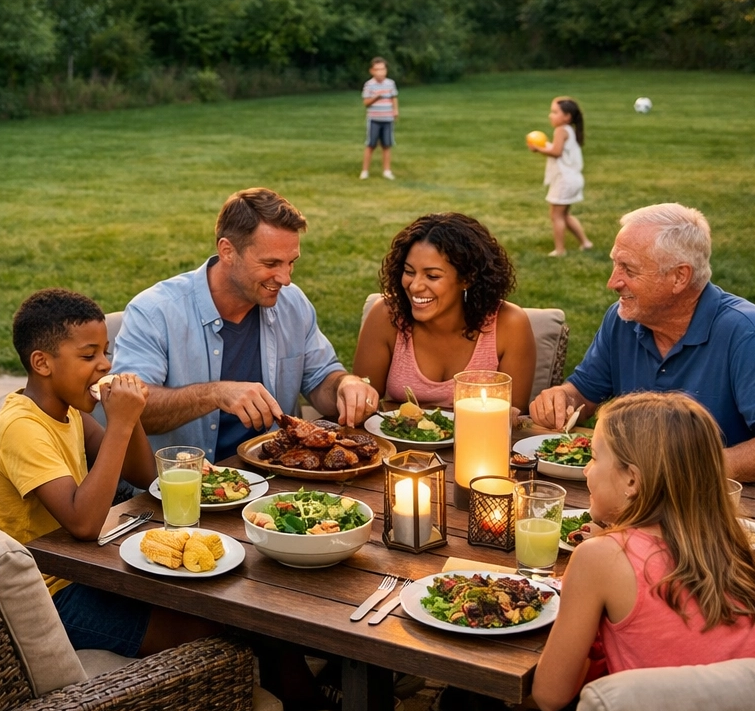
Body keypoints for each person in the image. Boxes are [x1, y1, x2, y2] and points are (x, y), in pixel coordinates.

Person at [500, 392, 755, 711]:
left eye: (593, 458)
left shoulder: (603, 557)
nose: (587, 471)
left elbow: (550, 695)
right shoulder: (732, 547)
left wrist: (595, 563)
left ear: (632, 480)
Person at [0, 288, 213, 656]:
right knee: (203, 626)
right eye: (89, 355)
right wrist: (119, 423)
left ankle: (302, 699)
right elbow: (84, 523)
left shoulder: (69, 411)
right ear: (42, 363)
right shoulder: (20, 427)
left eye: (106, 352)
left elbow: (140, 474)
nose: (106, 364)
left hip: (80, 571)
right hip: (43, 597)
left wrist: (131, 415)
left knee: (212, 599)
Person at [529, 203, 755, 482]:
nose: (612, 282)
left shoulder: (744, 331)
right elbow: (583, 394)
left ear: (679, 277)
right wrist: (562, 398)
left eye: (629, 269)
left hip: (726, 507)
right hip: (636, 496)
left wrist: (676, 473)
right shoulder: (623, 319)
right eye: (615, 264)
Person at [112, 187, 382, 463]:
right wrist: (215, 394)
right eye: (271, 263)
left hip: (279, 482)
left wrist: (344, 385)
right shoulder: (154, 312)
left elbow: (320, 379)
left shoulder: (292, 303)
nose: (285, 278)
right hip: (183, 490)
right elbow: (132, 410)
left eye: (291, 263)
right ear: (227, 251)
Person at [352, 213, 536, 411]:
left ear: (467, 278)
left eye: (432, 276)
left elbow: (514, 418)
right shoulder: (386, 315)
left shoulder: (510, 325)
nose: (414, 286)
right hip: (397, 442)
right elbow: (361, 404)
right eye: (409, 271)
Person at [528, 97, 592, 256]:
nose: (551, 115)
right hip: (573, 178)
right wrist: (545, 146)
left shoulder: (560, 130)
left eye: (555, 112)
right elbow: (559, 151)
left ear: (567, 116)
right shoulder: (569, 130)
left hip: (565, 180)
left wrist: (538, 148)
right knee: (564, 215)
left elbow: (556, 152)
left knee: (556, 216)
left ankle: (560, 250)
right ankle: (585, 242)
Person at [360, 58, 398, 180]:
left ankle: (387, 170)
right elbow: (366, 102)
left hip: (387, 119)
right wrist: (376, 96)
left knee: (387, 145)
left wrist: (395, 110)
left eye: (382, 69)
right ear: (372, 71)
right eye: (377, 70)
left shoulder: (390, 83)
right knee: (371, 145)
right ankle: (365, 171)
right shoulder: (369, 85)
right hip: (374, 119)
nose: (380, 72)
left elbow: (394, 97)